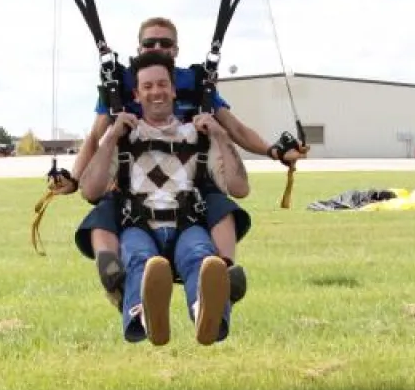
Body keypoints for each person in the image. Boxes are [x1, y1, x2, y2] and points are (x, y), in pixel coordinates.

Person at [57, 16, 304, 307]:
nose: (158, 47)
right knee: (106, 206)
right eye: (150, 43)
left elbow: (235, 129)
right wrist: (74, 179)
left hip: (191, 175)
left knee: (219, 204)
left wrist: (273, 151)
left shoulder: (194, 83)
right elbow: (95, 136)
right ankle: (113, 274)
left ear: (176, 50)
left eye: (165, 43)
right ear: (138, 48)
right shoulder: (123, 84)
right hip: (133, 177)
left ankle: (223, 270)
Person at [79, 50, 247, 346]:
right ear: (136, 93)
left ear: (173, 89)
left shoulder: (198, 136)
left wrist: (221, 136)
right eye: (147, 86)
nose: (155, 92)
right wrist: (109, 138)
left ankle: (206, 313)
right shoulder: (123, 138)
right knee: (140, 260)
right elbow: (90, 191)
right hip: (139, 224)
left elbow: (239, 187)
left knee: (202, 257)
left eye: (161, 84)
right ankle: (146, 316)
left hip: (186, 223)